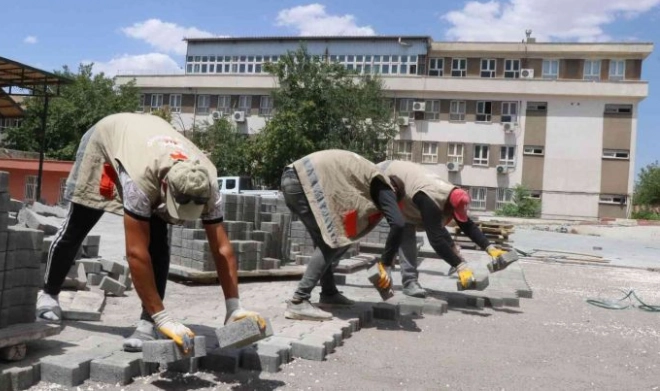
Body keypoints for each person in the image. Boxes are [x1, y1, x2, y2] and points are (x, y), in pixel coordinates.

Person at [36, 113, 265, 353]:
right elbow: (135, 254)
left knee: (158, 242)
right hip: (107, 140)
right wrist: (165, 318)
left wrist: (234, 307)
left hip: (151, 146)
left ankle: (148, 322)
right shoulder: (140, 183)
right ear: (166, 188)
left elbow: (221, 248)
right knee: (79, 224)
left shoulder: (207, 183)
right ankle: (49, 295)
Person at [281, 149, 406, 321]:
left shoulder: (367, 178)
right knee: (332, 243)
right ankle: (298, 301)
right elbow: (398, 223)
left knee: (329, 241)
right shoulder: (384, 186)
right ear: (395, 193)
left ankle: (329, 292)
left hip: (293, 178)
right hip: (302, 182)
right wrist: (386, 265)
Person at [377, 160, 507, 296]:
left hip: (407, 188)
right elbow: (436, 240)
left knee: (432, 224)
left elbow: (467, 225)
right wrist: (460, 266)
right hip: (385, 176)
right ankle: (410, 283)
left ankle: (415, 279)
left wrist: (490, 248)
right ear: (450, 205)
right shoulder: (431, 199)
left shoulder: (451, 194)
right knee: (406, 229)